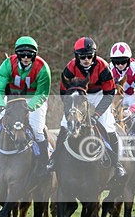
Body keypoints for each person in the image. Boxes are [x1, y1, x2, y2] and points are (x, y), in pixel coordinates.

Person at [0, 36, 51, 173]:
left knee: (37, 130)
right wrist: (0, 104)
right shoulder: (7, 64)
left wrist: (30, 107)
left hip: (33, 100)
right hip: (12, 99)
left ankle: (44, 162)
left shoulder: (43, 68)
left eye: (29, 55)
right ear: (17, 54)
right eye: (22, 54)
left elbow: (42, 93)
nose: (25, 57)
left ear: (34, 55)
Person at [50, 36, 126, 178]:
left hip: (99, 94)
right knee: (64, 124)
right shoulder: (70, 68)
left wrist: (97, 114)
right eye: (82, 57)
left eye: (89, 56)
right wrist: (69, 111)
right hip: (77, 93)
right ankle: (54, 158)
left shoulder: (103, 66)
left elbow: (109, 93)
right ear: (77, 57)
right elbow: (63, 92)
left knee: (108, 125)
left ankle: (116, 163)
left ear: (94, 55)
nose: (86, 59)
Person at [108, 41, 135, 110]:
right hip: (119, 97)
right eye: (116, 62)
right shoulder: (109, 68)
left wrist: (133, 109)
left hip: (134, 96)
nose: (120, 65)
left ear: (129, 60)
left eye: (123, 61)